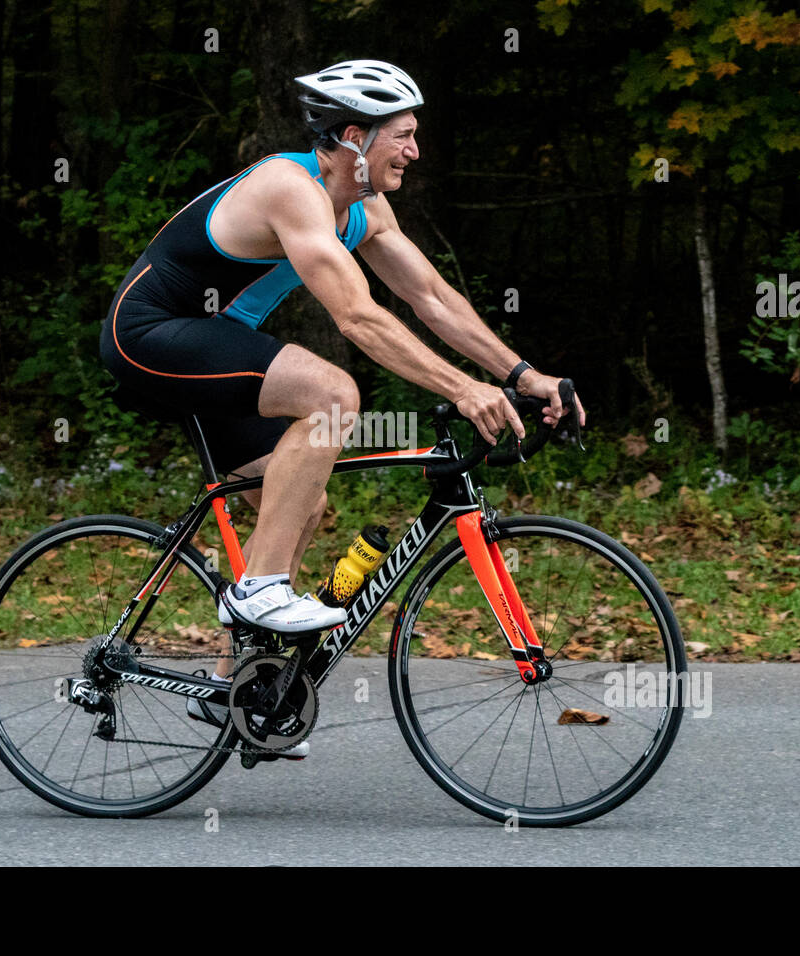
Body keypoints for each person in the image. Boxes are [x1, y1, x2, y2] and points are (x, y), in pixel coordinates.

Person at [100, 60, 585, 753]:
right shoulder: (289, 188)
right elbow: (357, 317)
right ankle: (258, 590)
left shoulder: (365, 210)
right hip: (148, 332)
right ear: (355, 136)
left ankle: (234, 688)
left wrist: (522, 373)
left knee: (303, 498)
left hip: (215, 341)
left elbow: (432, 299)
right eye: (404, 135)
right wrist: (463, 389)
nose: (416, 151)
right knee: (332, 393)